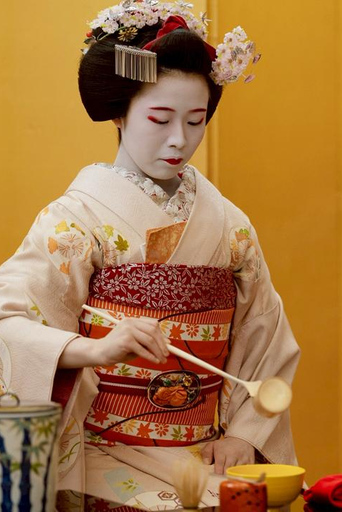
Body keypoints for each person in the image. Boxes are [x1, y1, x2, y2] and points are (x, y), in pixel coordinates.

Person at [0, 1, 300, 508]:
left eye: (196, 120)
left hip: (206, 451)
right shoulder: (76, 221)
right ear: (120, 112)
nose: (179, 140)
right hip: (101, 450)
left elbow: (263, 337)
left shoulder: (230, 226)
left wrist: (245, 434)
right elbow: (8, 323)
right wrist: (93, 350)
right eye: (160, 119)